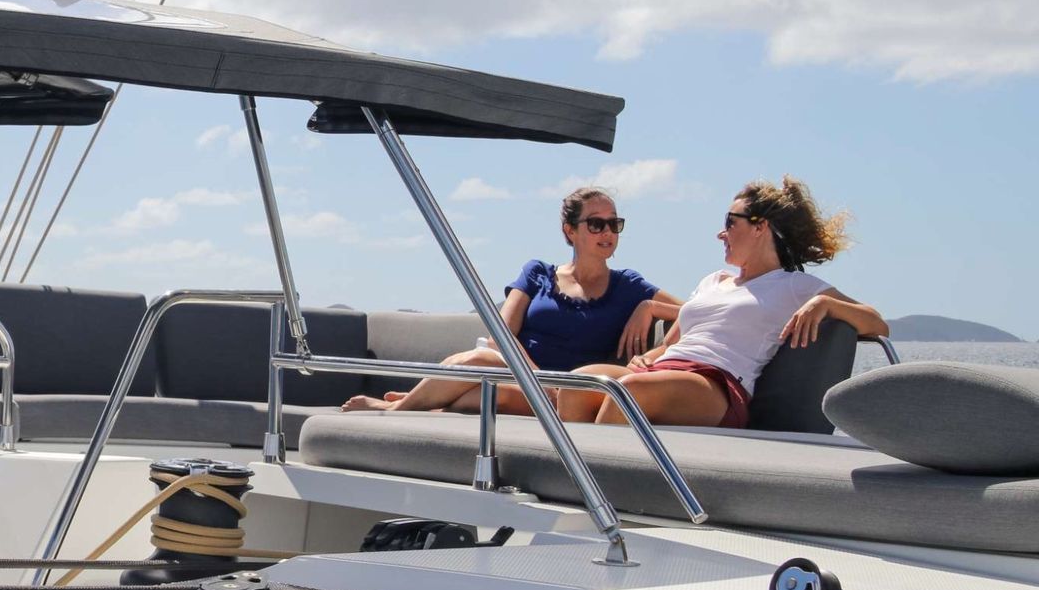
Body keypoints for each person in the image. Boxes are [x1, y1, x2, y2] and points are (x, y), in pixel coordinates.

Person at [565, 176, 888, 428]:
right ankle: (566, 484)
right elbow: (674, 343)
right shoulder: (712, 282)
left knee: (630, 391)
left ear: (760, 226)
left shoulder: (794, 285)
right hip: (665, 370)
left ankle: (601, 491)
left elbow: (877, 322)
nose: (721, 234)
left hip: (716, 384)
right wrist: (647, 356)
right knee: (578, 383)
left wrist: (825, 305)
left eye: (730, 222)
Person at [343, 187, 679, 414]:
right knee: (480, 369)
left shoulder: (629, 286)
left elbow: (696, 312)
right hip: (524, 379)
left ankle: (396, 410)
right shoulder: (537, 273)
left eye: (614, 224)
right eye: (596, 224)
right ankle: (411, 407)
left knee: (481, 376)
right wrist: (536, 380)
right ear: (569, 231)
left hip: (568, 397)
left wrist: (648, 307)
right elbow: (500, 337)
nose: (607, 232)